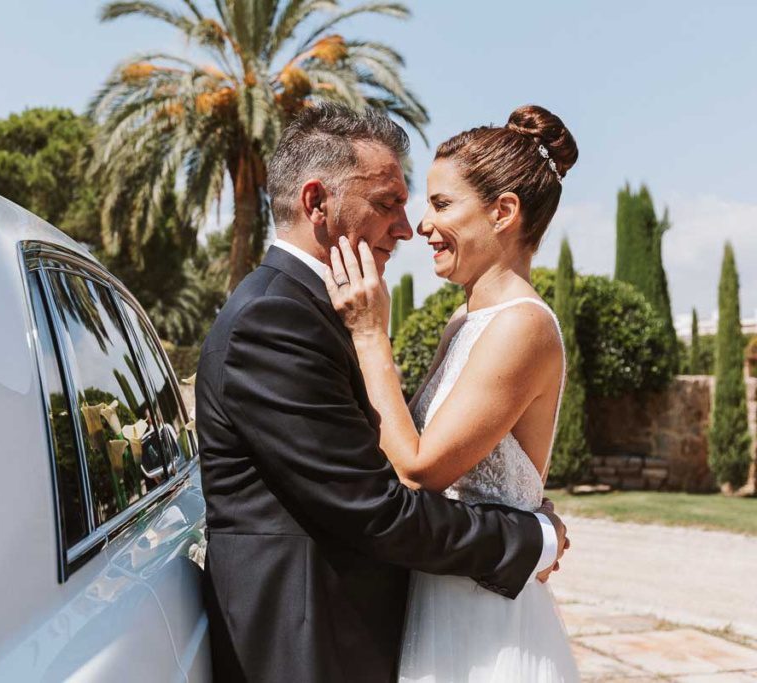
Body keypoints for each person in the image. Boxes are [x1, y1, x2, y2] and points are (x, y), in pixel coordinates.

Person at [195, 103, 568, 683]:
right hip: (311, 642)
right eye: (388, 203)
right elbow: (378, 505)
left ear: (504, 213)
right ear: (317, 203)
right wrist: (529, 537)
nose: (407, 226)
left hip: (435, 625)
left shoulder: (315, 312)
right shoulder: (274, 319)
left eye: (432, 204)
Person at [324, 104, 581, 681]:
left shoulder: (523, 325)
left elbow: (419, 469)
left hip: (483, 619)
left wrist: (370, 335)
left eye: (441, 204)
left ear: (503, 212)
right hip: (439, 595)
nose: (421, 225)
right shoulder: (464, 321)